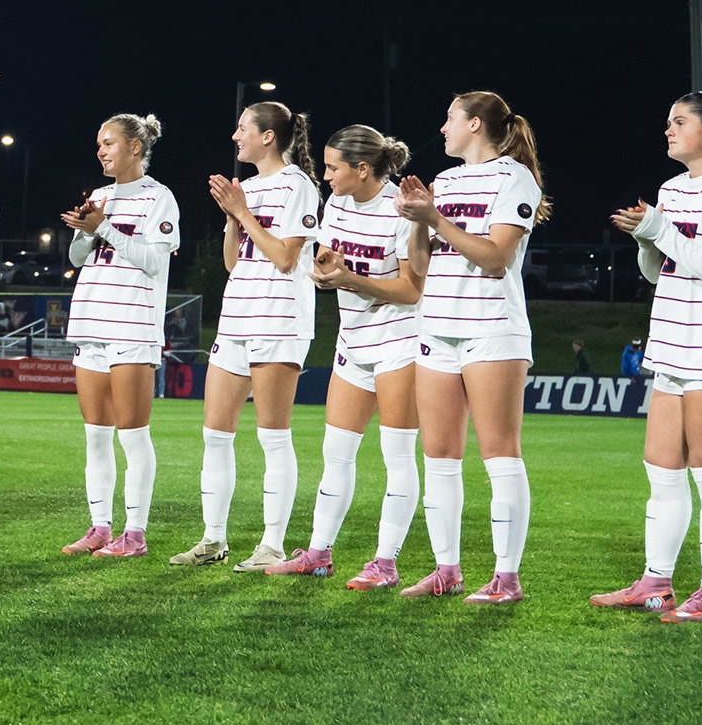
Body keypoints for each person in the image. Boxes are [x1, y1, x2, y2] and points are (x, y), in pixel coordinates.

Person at [593, 91, 702, 622]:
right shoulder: (672, 187)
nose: (668, 130)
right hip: (673, 345)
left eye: (680, 121)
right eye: (667, 122)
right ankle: (656, 583)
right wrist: (647, 240)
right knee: (663, 471)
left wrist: (659, 230)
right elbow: (657, 271)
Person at [396, 91, 548, 605]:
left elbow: (497, 258)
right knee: (438, 457)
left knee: (500, 455)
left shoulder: (514, 178)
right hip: (437, 327)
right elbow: (419, 264)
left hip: (492, 329)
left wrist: (437, 219)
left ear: (476, 124)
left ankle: (507, 578)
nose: (442, 128)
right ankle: (446, 570)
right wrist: (417, 219)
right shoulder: (445, 181)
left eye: (450, 118)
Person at [264, 125, 423, 586]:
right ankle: (318, 553)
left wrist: (349, 280)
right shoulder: (335, 203)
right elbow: (329, 261)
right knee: (336, 452)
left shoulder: (402, 211)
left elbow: (412, 291)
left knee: (397, 455)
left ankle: (386, 563)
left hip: (399, 343)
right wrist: (325, 271)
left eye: (334, 168)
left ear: (363, 169)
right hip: (352, 343)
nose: (326, 175)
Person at [174, 101, 319, 571]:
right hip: (236, 318)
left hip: (278, 320)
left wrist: (244, 212)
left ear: (268, 136)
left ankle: (272, 545)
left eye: (242, 129)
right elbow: (235, 262)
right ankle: (213, 540)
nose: (236, 136)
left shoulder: (299, 186)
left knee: (273, 437)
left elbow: (284, 258)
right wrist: (234, 215)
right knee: (215, 434)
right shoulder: (248, 187)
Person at [57, 113, 180, 558]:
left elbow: (152, 261)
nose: (101, 151)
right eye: (98, 144)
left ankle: (135, 533)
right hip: (91, 323)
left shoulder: (158, 198)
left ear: (134, 147)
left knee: (132, 434)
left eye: (108, 143)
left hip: (132, 326)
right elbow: (76, 255)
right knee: (95, 435)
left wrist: (102, 228)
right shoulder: (101, 195)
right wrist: (87, 231)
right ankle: (99, 527)